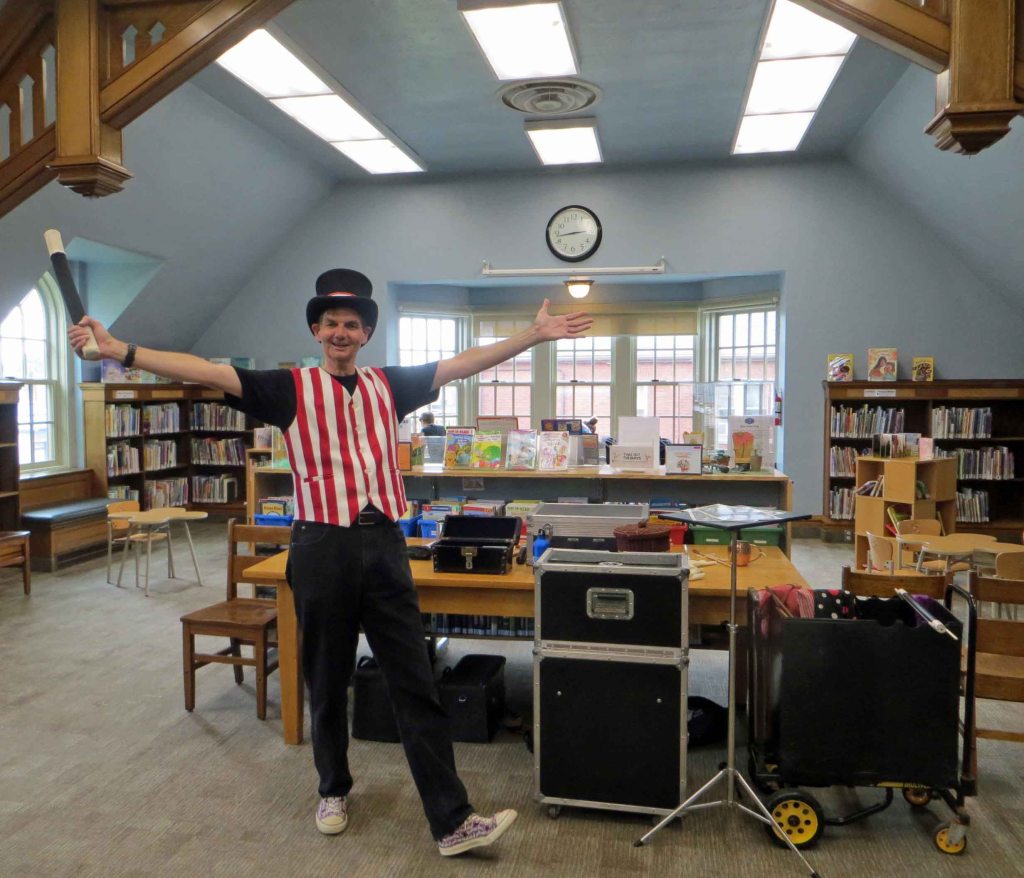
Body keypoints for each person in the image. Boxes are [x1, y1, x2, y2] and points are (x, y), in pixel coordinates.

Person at [69, 268, 592, 857]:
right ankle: (333, 788)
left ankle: (451, 820)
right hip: (322, 546)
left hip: (387, 545)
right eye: (331, 324)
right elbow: (207, 370)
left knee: (415, 684)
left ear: (365, 334)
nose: (341, 333)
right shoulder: (288, 388)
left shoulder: (390, 385)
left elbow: (465, 362)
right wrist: (120, 350)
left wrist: (532, 336)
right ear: (317, 331)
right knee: (326, 675)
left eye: (352, 324)